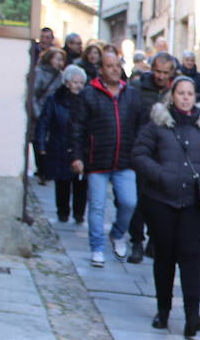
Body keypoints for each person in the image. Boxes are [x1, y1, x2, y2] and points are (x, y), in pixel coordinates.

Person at [133, 76, 200, 337]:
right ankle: (162, 311)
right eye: (181, 93)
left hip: (194, 203)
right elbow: (140, 155)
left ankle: (192, 316)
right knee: (164, 257)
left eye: (190, 93)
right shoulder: (158, 124)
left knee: (190, 259)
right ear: (172, 96)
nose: (186, 98)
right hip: (162, 200)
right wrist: (161, 174)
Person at [73, 52, 142, 267]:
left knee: (129, 202)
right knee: (96, 207)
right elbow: (77, 128)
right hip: (96, 160)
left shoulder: (131, 94)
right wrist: (77, 156)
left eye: (116, 65)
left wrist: (138, 154)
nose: (113, 69)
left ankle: (118, 233)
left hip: (125, 160)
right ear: (101, 69)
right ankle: (97, 248)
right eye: (109, 66)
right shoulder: (89, 94)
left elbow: (140, 126)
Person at [127, 52, 178, 264]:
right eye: (157, 71)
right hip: (143, 150)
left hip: (166, 153)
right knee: (139, 200)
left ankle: (154, 242)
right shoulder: (138, 88)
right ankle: (136, 241)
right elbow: (130, 119)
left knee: (160, 201)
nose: (160, 76)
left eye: (165, 73)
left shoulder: (176, 91)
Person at [36, 65, 88, 224]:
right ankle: (63, 212)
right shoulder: (55, 99)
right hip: (60, 144)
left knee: (80, 182)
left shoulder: (86, 100)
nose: (78, 86)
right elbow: (44, 122)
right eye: (75, 82)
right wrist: (41, 144)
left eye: (81, 82)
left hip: (81, 146)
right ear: (67, 83)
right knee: (62, 182)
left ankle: (79, 214)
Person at [29, 46, 66, 185]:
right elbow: (32, 95)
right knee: (39, 142)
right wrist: (37, 114)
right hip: (39, 113)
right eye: (58, 59)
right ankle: (42, 171)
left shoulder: (61, 76)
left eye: (62, 59)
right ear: (49, 59)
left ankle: (47, 170)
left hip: (53, 114)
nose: (60, 62)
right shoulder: (39, 73)